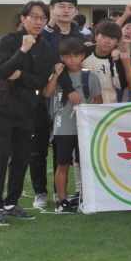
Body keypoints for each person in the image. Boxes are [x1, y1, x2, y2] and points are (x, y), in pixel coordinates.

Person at [0, 1, 55, 226]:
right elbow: (4, 72)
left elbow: (41, 80)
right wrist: (23, 50)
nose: (38, 22)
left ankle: (11, 203)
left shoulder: (46, 46)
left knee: (21, 158)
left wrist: (21, 75)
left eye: (42, 18)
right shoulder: (8, 40)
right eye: (34, 17)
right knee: (0, 158)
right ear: (23, 18)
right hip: (2, 107)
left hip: (28, 109)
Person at [44, 37, 91, 213]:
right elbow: (47, 93)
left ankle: (85, 198)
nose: (73, 60)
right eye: (68, 56)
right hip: (63, 127)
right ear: (62, 57)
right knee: (63, 164)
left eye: (76, 56)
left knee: (84, 163)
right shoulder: (58, 74)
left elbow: (98, 99)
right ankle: (62, 201)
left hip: (84, 128)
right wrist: (56, 74)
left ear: (83, 56)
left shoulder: (88, 75)